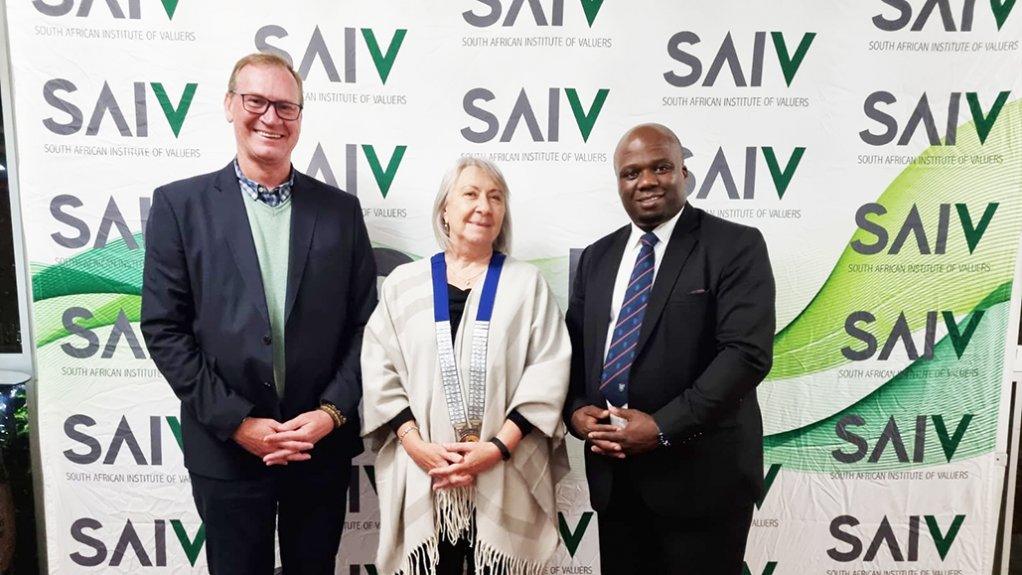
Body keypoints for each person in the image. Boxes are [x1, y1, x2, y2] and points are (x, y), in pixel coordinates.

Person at [140, 52, 377, 575]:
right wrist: (238, 422)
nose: (271, 117)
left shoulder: (340, 211)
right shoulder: (181, 206)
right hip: (226, 449)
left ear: (299, 118)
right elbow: (164, 327)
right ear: (229, 105)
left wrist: (330, 414)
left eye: (286, 107)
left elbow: (367, 325)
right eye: (256, 101)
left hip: (318, 446)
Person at [565, 123, 775, 574]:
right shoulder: (597, 258)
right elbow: (576, 351)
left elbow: (745, 354)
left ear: (684, 172)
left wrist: (661, 426)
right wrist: (577, 411)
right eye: (630, 172)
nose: (646, 181)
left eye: (660, 167)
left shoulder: (735, 246)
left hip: (703, 481)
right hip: (616, 483)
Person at [361, 157, 570, 575]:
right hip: (424, 472)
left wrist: (495, 450)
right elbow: (379, 368)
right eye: (471, 194)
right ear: (445, 209)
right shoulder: (405, 283)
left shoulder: (526, 284)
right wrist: (416, 444)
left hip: (502, 471)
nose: (485, 206)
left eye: (496, 197)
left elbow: (547, 371)